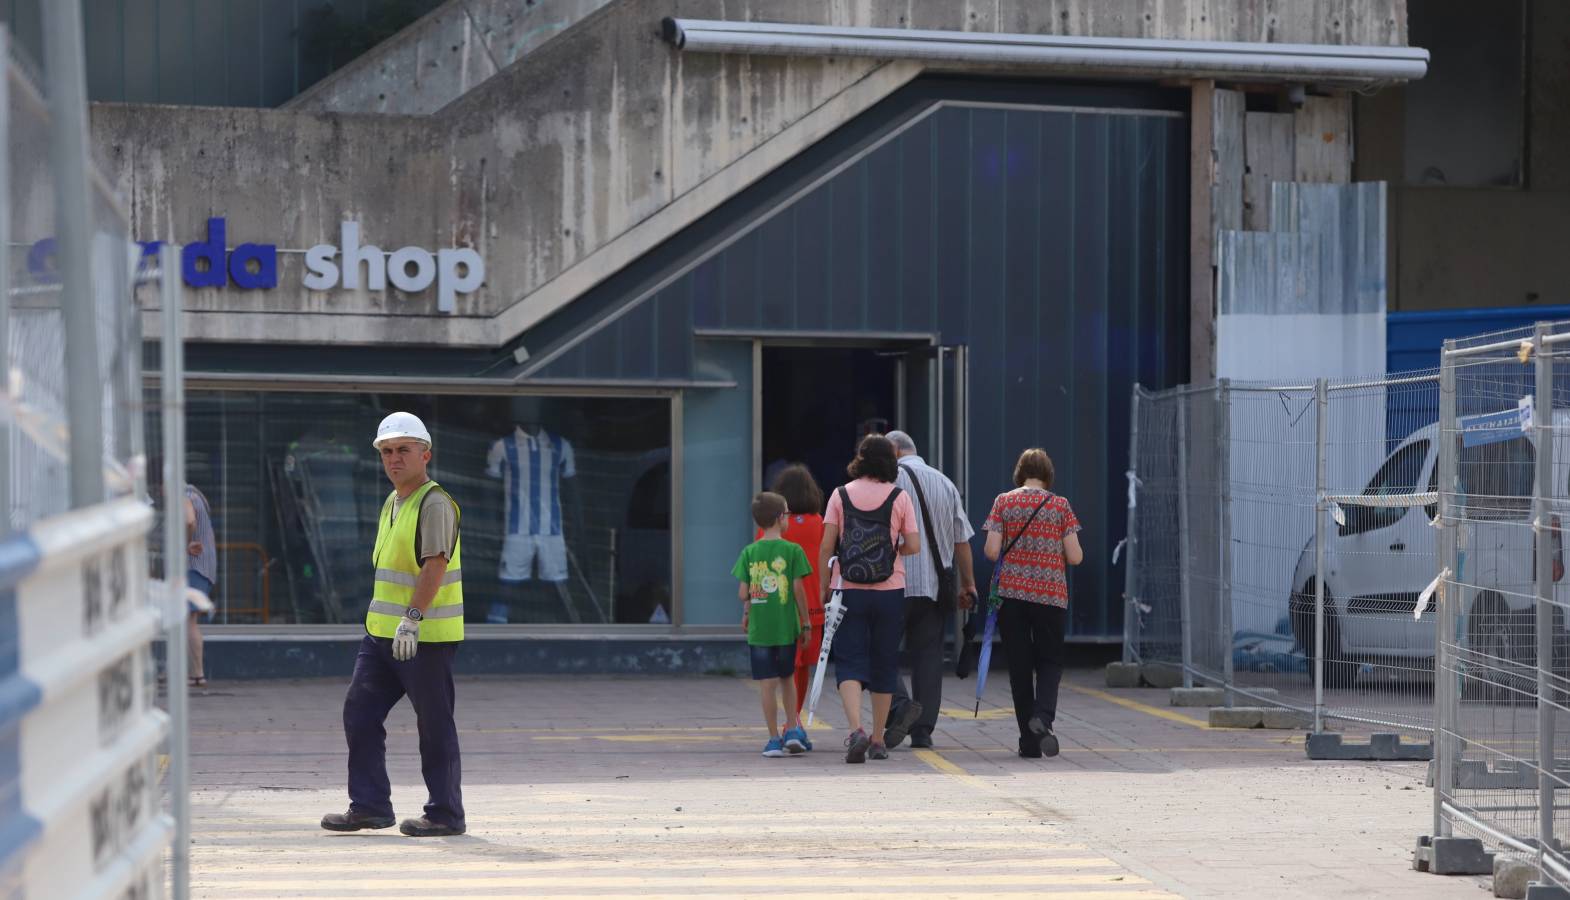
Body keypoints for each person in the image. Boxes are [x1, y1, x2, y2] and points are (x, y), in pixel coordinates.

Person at [322, 411, 467, 837]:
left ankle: (445, 814)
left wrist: (413, 619)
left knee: (434, 725)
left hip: (423, 637)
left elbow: (435, 566)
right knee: (359, 713)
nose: (394, 459)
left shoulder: (434, 503)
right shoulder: (394, 501)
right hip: (382, 636)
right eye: (387, 451)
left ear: (426, 455)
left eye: (403, 450)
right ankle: (369, 806)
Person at [819, 434, 919, 764]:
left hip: (848, 588)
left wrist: (824, 586)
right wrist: (894, 550)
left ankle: (855, 730)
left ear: (859, 459)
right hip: (890, 590)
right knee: (884, 663)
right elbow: (914, 545)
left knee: (848, 660)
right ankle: (878, 739)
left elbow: (826, 545)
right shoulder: (900, 496)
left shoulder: (840, 494)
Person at [983, 448, 1084, 759]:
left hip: (1011, 596)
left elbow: (990, 550)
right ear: (1048, 474)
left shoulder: (1004, 501)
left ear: (1020, 472)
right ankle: (1043, 716)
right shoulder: (1061, 506)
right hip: (1050, 596)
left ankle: (1028, 742)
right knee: (1050, 661)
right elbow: (1076, 557)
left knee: (1020, 667)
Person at [883, 431, 978, 750]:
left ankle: (899, 705)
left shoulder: (886, 481)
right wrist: (969, 584)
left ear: (894, 450)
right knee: (928, 656)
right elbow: (961, 540)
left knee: (879, 650)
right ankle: (922, 731)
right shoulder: (945, 482)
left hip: (893, 584)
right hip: (935, 587)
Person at [733, 492, 814, 757]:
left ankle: (772, 739)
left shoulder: (749, 551)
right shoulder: (792, 551)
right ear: (780, 519)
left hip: (759, 631)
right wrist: (806, 623)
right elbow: (798, 590)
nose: (789, 518)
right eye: (788, 513)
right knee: (787, 679)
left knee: (766, 684)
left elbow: (743, 593)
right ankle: (792, 728)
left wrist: (747, 611)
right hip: (785, 628)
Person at [762, 465, 826, 731]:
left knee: (779, 668)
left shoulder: (773, 526)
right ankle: (794, 719)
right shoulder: (819, 523)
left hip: (778, 606)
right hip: (811, 606)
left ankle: (781, 724)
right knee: (801, 669)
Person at [184, 483, 217, 688]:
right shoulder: (196, 494)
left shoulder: (183, 495)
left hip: (194, 565)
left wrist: (184, 542)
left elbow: (189, 521)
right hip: (203, 565)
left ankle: (197, 674)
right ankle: (187, 671)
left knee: (189, 620)